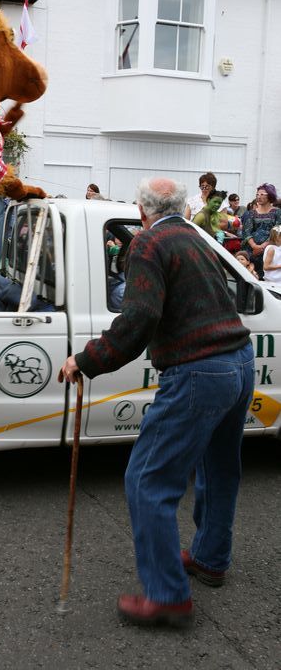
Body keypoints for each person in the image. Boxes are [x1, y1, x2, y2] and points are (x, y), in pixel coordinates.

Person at [61, 177, 253, 627]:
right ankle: (209, 558)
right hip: (239, 362)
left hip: (200, 370)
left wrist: (86, 360)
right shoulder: (196, 235)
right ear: (182, 207)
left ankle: (168, 597)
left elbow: (141, 316)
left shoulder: (148, 243)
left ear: (141, 210)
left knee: (148, 480)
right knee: (220, 468)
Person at [241, 183, 281, 278]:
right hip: (251, 250)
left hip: (269, 249)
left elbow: (277, 231)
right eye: (257, 194)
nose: (259, 197)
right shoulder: (250, 213)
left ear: (270, 196)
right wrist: (255, 246)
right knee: (250, 276)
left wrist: (262, 247)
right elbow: (246, 232)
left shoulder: (277, 212)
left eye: (262, 194)